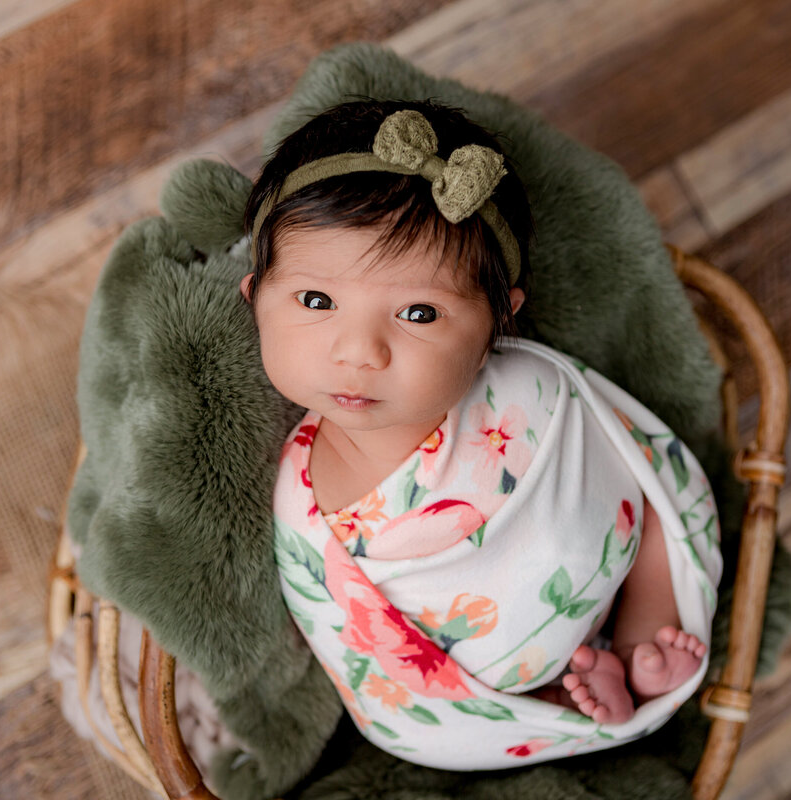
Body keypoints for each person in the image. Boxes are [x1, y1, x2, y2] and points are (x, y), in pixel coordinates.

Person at [238, 100, 720, 768]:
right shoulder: (305, 504)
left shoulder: (530, 384)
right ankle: (561, 700)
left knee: (659, 532)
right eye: (316, 302)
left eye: (417, 312)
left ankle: (641, 639)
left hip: (617, 564)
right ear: (255, 292)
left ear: (499, 318)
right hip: (500, 672)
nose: (359, 351)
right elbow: (364, 652)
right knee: (442, 716)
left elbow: (630, 454)